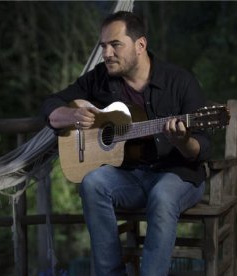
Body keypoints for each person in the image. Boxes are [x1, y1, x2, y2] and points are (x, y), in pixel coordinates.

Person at [42, 11, 210, 276]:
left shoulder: (180, 81)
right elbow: (51, 104)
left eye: (115, 45)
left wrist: (183, 140)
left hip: (178, 175)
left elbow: (202, 148)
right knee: (92, 183)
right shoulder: (100, 78)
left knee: (162, 195)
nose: (106, 53)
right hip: (129, 176)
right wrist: (72, 115)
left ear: (140, 45)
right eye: (103, 46)